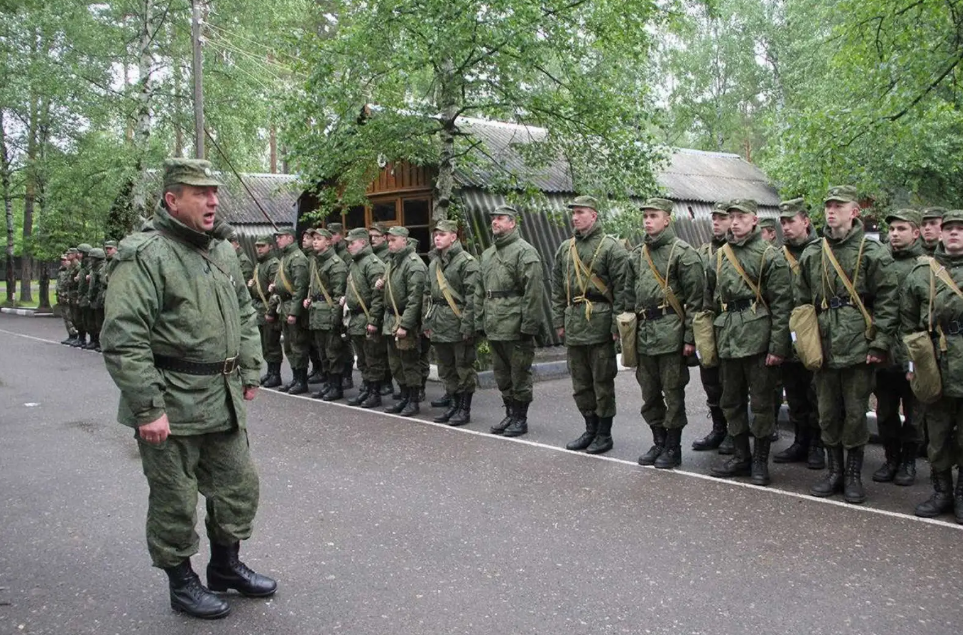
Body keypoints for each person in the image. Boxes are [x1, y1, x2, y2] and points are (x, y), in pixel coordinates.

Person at [101, 158, 275, 620]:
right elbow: (123, 338)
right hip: (172, 402)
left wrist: (251, 369)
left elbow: (245, 312)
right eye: (200, 193)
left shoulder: (221, 251)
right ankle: (181, 581)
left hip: (223, 397)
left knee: (239, 486)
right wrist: (146, 407)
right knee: (175, 499)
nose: (212, 201)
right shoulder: (145, 254)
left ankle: (225, 567)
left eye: (214, 192)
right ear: (172, 199)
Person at [795, 185, 898, 504]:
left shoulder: (872, 253)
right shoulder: (814, 253)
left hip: (858, 347)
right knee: (827, 413)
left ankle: (852, 475)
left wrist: (879, 343)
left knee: (855, 414)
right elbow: (801, 303)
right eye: (828, 206)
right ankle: (834, 472)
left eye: (838, 206)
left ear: (854, 212)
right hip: (823, 347)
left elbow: (888, 301)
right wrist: (805, 344)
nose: (831, 210)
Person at [705, 199, 792, 486]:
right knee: (730, 400)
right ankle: (741, 456)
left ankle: (759, 461)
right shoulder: (718, 257)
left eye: (742, 216)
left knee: (763, 402)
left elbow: (782, 306)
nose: (735, 222)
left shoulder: (770, 256)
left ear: (755, 220)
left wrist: (778, 347)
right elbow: (711, 302)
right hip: (728, 336)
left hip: (758, 339)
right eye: (732, 217)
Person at [622, 197, 704, 468]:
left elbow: (696, 301)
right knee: (649, 393)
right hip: (644, 333)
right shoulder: (636, 255)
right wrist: (625, 331)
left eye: (653, 215)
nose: (647, 220)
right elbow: (627, 295)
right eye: (645, 216)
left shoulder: (682, 253)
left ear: (667, 219)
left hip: (671, 333)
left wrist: (690, 338)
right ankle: (658, 441)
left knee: (673, 392)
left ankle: (673, 447)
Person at [551, 195, 628, 455]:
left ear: (593, 215)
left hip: (600, 321)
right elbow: (557, 288)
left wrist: (617, 327)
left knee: (602, 381)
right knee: (580, 382)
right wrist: (559, 319)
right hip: (574, 322)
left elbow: (622, 289)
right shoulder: (566, 248)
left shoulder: (611, 247)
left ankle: (604, 433)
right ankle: (590, 428)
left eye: (581, 212)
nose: (575, 217)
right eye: (573, 213)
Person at [901, 209, 963, 520]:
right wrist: (913, 362)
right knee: (936, 433)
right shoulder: (921, 272)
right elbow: (909, 322)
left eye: (960, 229)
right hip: (935, 362)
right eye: (949, 229)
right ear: (939, 233)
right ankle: (941, 492)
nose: (954, 234)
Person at [475, 205, 545, 437]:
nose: (495, 222)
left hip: (514, 324)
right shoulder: (487, 254)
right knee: (502, 374)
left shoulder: (525, 252)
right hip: (494, 323)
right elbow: (479, 290)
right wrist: (479, 321)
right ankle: (510, 413)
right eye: (493, 218)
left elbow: (533, 292)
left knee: (519, 374)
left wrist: (529, 325)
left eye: (500, 218)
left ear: (512, 223)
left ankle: (520, 418)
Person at [872, 209, 925, 486]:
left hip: (914, 353)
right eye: (891, 229)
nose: (894, 234)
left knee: (915, 413)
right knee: (885, 412)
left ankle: (908, 462)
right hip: (884, 351)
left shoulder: (925, 266)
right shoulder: (879, 261)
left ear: (915, 233)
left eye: (901, 229)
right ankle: (891, 459)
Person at [775, 198, 824, 469]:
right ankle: (801, 440)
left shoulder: (821, 251)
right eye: (782, 222)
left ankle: (818, 443)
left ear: (805, 221)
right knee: (794, 390)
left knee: (815, 390)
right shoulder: (777, 254)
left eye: (790, 221)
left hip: (814, 330)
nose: (786, 227)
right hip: (788, 330)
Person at [424, 219, 479, 425]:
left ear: (453, 237)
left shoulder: (466, 262)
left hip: (457, 321)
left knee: (463, 367)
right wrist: (426, 322)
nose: (437, 237)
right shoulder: (434, 264)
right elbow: (427, 295)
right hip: (438, 321)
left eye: (442, 234)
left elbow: (474, 297)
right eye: (435, 234)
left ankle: (464, 409)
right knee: (446, 369)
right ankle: (454, 405)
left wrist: (468, 325)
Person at [692, 202, 733, 454]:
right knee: (710, 378)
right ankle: (719, 429)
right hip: (708, 324)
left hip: (732, 323)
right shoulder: (702, 252)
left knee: (733, 382)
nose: (716, 222)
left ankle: (734, 432)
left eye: (722, 218)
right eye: (714, 218)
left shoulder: (735, 250)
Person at [381, 226, 427, 416]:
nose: (390, 243)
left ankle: (413, 401)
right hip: (391, 318)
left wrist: (405, 325)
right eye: (388, 240)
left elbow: (415, 299)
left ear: (404, 241)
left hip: (403, 319)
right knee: (395, 363)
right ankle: (404, 396)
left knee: (409, 362)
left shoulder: (413, 264)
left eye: (393, 240)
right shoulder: (393, 262)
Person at [343, 228, 388, 408]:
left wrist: (373, 321)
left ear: (362, 242)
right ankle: (367, 389)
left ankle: (374, 393)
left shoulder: (372, 264)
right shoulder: (356, 263)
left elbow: (378, 297)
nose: (348, 247)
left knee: (373, 358)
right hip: (356, 319)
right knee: (362, 359)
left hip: (367, 317)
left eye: (351, 243)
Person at [304, 228, 348, 401]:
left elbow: (338, 296)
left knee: (333, 352)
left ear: (328, 242)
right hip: (316, 313)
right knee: (323, 352)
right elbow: (313, 286)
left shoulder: (335, 264)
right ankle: (329, 384)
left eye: (319, 239)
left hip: (329, 315)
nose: (314, 241)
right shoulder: (317, 262)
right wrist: (310, 299)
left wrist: (336, 319)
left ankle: (336, 387)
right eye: (313, 239)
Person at [270, 227, 311, 394]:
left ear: (289, 238)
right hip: (284, 306)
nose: (277, 240)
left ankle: (301, 380)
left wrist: (294, 312)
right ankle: (295, 378)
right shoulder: (286, 257)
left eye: (280, 237)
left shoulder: (297, 259)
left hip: (293, 307)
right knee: (289, 345)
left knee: (298, 345)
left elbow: (300, 288)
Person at [250, 235, 283, 388]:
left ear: (270, 246)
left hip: (269, 309)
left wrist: (270, 311)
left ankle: (275, 374)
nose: (259, 249)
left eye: (262, 246)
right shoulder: (259, 265)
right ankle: (270, 372)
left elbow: (274, 291)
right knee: (264, 344)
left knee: (272, 344)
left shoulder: (273, 264)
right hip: (259, 309)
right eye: (257, 246)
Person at [328, 222, 356, 390]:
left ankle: (347, 375)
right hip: (335, 302)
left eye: (333, 234)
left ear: (339, 235)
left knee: (345, 342)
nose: (330, 238)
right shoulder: (334, 253)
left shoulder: (345, 255)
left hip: (344, 300)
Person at [369, 222, 394, 396]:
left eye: (376, 236)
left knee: (383, 350)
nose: (372, 240)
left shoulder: (386, 257)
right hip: (376, 306)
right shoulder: (372, 255)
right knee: (377, 349)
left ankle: (387, 382)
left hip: (384, 306)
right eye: (370, 237)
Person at [86, 247, 107, 352]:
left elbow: (102, 283)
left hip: (100, 298)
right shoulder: (94, 268)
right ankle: (95, 341)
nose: (91, 260)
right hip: (94, 298)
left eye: (92, 258)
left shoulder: (102, 268)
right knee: (94, 322)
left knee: (100, 322)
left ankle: (102, 343)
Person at [57, 252, 78, 345]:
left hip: (69, 297)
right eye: (61, 260)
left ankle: (75, 334)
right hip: (61, 297)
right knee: (65, 317)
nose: (63, 262)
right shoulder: (61, 271)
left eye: (65, 260)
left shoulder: (71, 271)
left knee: (71, 317)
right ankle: (70, 335)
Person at [76, 243, 94, 349]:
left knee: (89, 319)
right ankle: (82, 339)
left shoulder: (89, 265)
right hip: (82, 294)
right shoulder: (83, 264)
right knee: (82, 319)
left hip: (87, 295)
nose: (78, 255)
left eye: (80, 253)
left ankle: (93, 340)